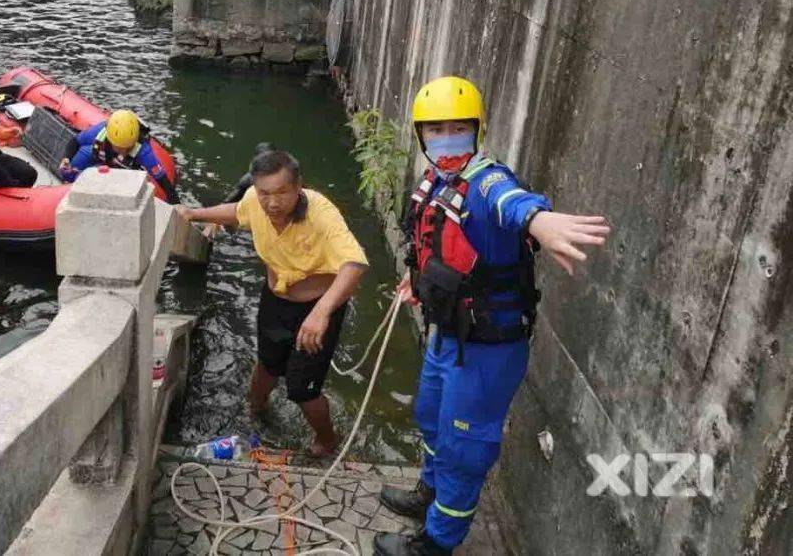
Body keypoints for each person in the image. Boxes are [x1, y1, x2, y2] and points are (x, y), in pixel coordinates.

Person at [373, 77, 610, 556]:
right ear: (422, 135)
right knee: (430, 419)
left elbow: (513, 203)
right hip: (449, 336)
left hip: (487, 351)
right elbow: (437, 249)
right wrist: (415, 282)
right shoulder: (437, 182)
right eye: (435, 129)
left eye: (458, 128)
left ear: (477, 130)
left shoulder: (486, 181)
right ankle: (429, 493)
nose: (447, 138)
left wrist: (540, 220)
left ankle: (436, 544)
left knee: (465, 451)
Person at [176, 151, 369, 456]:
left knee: (302, 388)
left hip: (317, 308)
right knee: (266, 363)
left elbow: (354, 263)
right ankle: (255, 411)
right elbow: (238, 212)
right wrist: (194, 213)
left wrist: (321, 313)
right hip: (275, 300)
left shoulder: (321, 214)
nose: (272, 203)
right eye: (265, 193)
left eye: (281, 193)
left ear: (298, 187)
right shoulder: (255, 200)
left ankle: (327, 440)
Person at [58, 109, 180, 204]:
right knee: (67, 172)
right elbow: (75, 142)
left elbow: (165, 183)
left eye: (127, 148)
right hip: (100, 157)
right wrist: (66, 158)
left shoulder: (143, 151)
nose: (123, 151)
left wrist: (176, 205)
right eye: (119, 147)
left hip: (124, 169)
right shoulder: (100, 131)